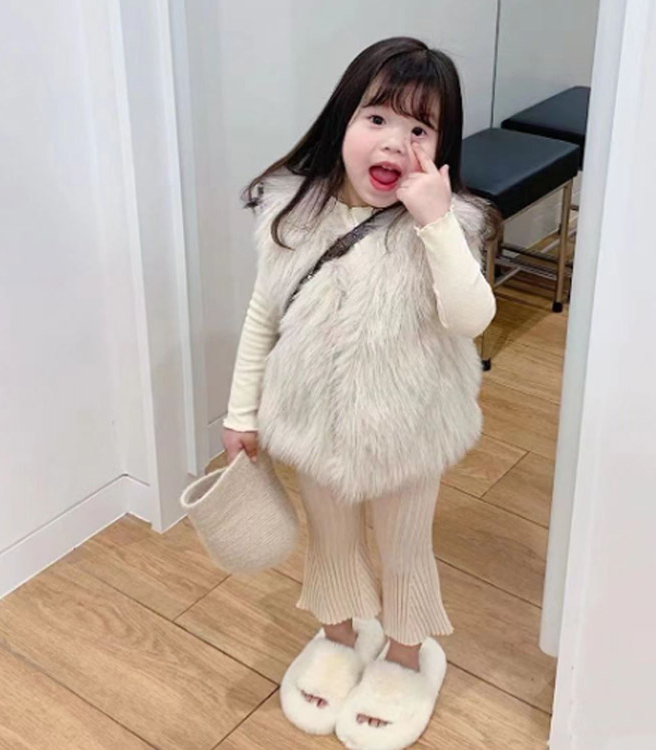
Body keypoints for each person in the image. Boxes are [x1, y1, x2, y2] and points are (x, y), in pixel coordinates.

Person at [222, 36, 496, 750]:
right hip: (312, 421)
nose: (396, 142)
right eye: (377, 118)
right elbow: (263, 316)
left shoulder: (445, 226)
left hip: (409, 428)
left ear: (441, 148)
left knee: (405, 549)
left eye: (420, 128)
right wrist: (241, 412)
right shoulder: (294, 214)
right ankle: (339, 636)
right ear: (342, 119)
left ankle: (406, 655)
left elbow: (472, 317)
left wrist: (436, 222)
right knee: (332, 542)